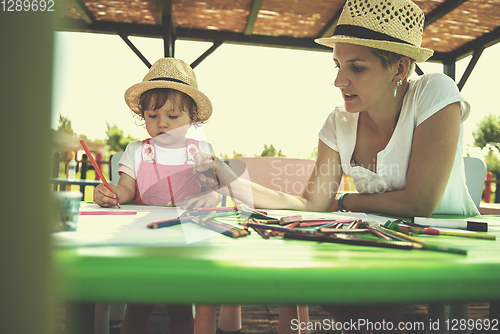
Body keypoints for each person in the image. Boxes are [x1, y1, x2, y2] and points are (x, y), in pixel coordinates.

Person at [185, 0, 479, 332]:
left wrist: (345, 202)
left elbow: (420, 202)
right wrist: (228, 179)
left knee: (363, 293)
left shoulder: (435, 91)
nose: (339, 81)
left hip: (451, 244)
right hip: (383, 247)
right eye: (337, 65)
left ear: (399, 68)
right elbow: (312, 204)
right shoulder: (339, 122)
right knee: (314, 278)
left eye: (357, 67)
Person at [93, 57, 238, 334]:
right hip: (142, 239)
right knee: (137, 306)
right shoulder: (136, 151)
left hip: (184, 239)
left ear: (192, 116)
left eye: (173, 117)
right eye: (152, 116)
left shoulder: (201, 150)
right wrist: (111, 193)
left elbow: (212, 191)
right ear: (142, 115)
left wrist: (208, 196)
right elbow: (126, 188)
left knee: (181, 308)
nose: (162, 124)